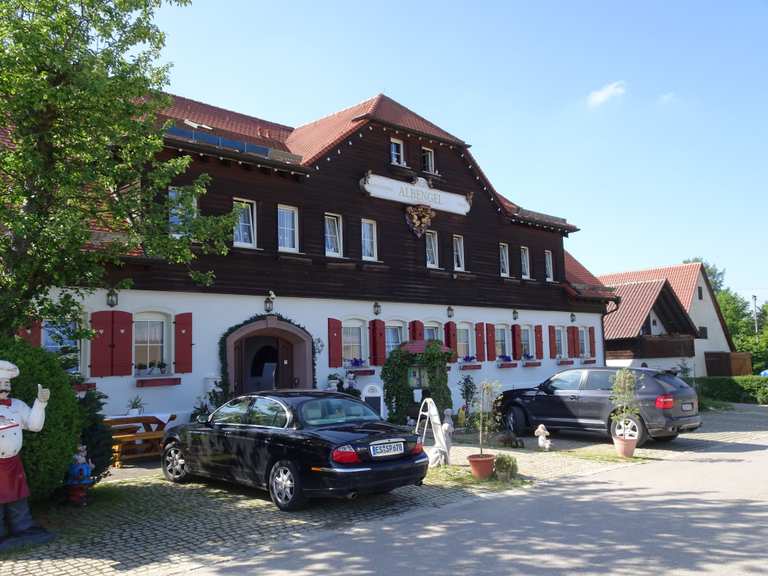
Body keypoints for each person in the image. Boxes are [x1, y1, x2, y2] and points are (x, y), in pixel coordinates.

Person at [0, 360, 52, 546]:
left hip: (13, 462)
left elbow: (34, 425)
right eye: (0, 384)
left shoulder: (18, 405)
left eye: (7, 384)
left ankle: (23, 528)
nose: (4, 389)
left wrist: (40, 403)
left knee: (18, 495)